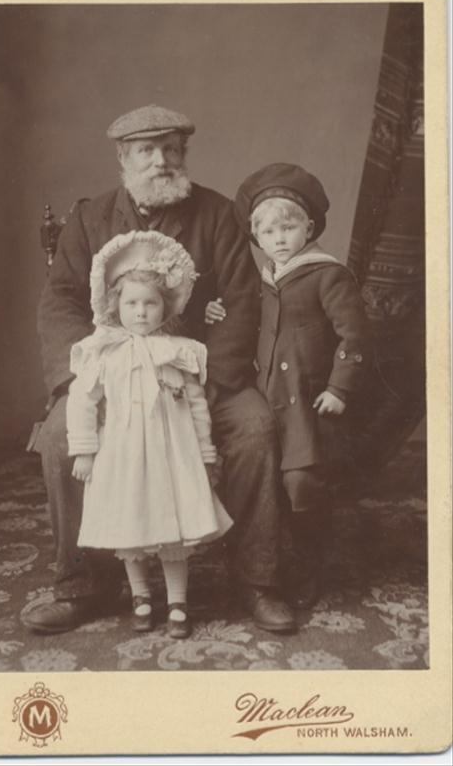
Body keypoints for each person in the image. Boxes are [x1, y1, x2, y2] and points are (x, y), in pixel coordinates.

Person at [22, 105, 296, 634]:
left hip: (193, 373)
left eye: (171, 149)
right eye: (146, 151)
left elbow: (242, 301)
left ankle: (258, 580)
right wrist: (86, 379)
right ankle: (83, 585)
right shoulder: (90, 219)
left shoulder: (216, 215)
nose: (161, 162)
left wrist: (205, 380)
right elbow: (59, 302)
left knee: (255, 426)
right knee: (61, 436)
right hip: (113, 373)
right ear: (123, 158)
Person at [206, 163, 372, 609]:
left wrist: (340, 388)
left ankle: (310, 561)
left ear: (309, 227)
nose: (280, 238)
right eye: (268, 231)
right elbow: (245, 317)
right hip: (266, 397)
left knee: (303, 482)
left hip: (308, 400)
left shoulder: (326, 275)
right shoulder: (259, 280)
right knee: (268, 480)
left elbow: (354, 336)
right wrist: (216, 313)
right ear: (256, 238)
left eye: (290, 226)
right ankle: (265, 561)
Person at [67, 230, 232, 638]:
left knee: (173, 527)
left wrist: (206, 452)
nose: (141, 312)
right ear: (115, 306)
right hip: (122, 452)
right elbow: (83, 400)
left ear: (165, 308)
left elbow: (196, 403)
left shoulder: (177, 351)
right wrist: (85, 450)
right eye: (131, 303)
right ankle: (141, 595)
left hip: (171, 452)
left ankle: (178, 602)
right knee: (131, 524)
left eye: (150, 304)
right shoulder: (102, 352)